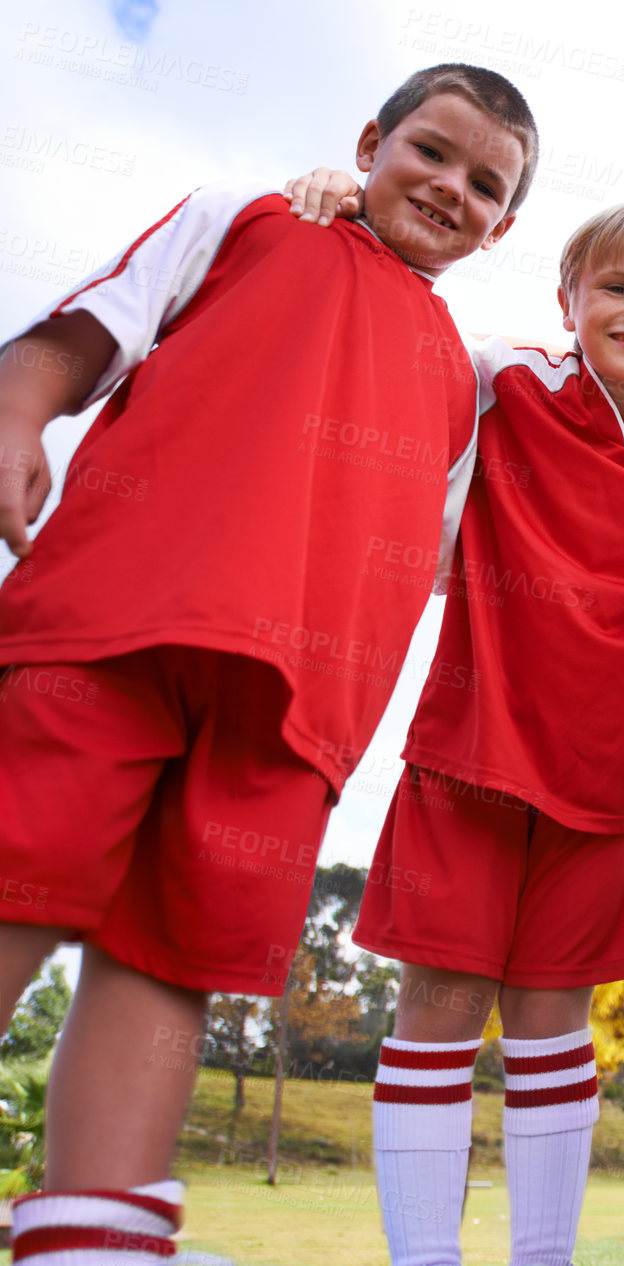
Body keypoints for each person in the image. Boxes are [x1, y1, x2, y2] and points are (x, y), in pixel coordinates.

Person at [0, 63, 533, 1258]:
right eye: (429, 153)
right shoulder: (248, 217)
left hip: (295, 710)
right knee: (10, 878)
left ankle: (91, 1238)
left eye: (484, 184)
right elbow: (74, 336)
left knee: (169, 957)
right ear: (368, 142)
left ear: (505, 227)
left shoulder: (468, 379)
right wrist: (15, 417)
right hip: (113, 622)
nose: (449, 187)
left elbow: (435, 551)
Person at [342, 201, 624, 1266]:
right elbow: (387, 321)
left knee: (551, 1024)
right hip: (467, 754)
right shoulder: (501, 378)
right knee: (437, 1002)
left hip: (605, 786)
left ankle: (543, 1256)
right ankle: (422, 1253)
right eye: (614, 285)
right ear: (564, 299)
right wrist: (337, 199)